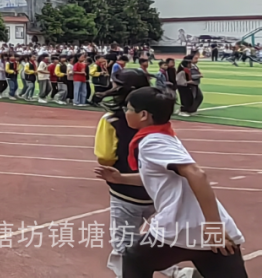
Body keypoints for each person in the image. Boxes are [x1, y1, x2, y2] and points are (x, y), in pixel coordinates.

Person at [94, 87, 247, 278]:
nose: (126, 112)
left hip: (180, 225)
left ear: (143, 115)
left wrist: (214, 225)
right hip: (208, 227)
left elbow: (197, 174)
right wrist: (120, 178)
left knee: (134, 258)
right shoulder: (165, 136)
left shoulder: (152, 142)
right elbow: (161, 178)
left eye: (129, 108)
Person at [93, 70, 189, 278]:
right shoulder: (159, 121)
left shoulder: (112, 120)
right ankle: (176, 272)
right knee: (158, 237)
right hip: (157, 192)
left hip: (125, 193)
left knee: (123, 243)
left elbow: (105, 157)